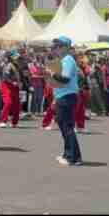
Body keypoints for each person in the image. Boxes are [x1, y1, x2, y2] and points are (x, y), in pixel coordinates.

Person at [48, 37, 82, 167]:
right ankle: (70, 154)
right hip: (63, 96)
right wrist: (55, 98)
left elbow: (65, 79)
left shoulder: (68, 60)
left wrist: (52, 74)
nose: (56, 48)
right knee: (64, 127)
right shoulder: (64, 60)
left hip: (67, 96)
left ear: (66, 47)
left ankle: (72, 157)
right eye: (56, 46)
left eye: (58, 46)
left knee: (67, 127)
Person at [0, 51, 21, 128]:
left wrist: (20, 83)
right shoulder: (7, 65)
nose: (17, 58)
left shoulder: (16, 65)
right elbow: (5, 77)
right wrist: (13, 82)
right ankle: (2, 120)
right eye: (15, 57)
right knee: (8, 102)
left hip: (16, 86)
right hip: (6, 85)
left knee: (17, 104)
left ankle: (14, 122)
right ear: (10, 57)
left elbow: (19, 75)